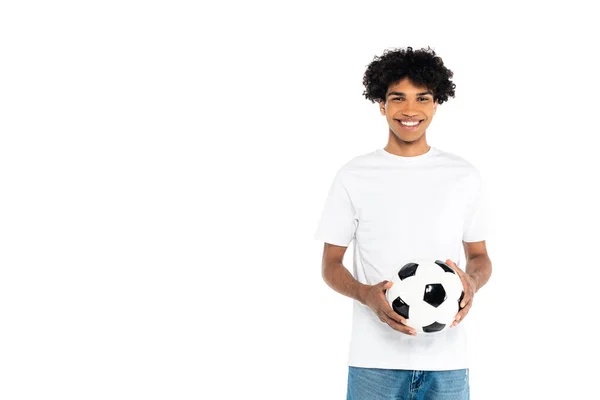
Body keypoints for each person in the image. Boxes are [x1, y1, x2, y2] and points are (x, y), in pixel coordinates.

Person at [313, 46, 492, 400]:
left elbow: (481, 257)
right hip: (373, 362)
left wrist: (472, 281)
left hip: (448, 361)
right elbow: (330, 265)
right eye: (398, 98)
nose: (410, 110)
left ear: (436, 102)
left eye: (422, 98)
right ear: (382, 104)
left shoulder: (464, 176)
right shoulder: (354, 175)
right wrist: (365, 294)